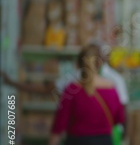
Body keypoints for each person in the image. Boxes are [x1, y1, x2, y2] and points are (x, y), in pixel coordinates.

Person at [44, 44, 125, 145]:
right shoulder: (111, 88)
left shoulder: (72, 90)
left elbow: (59, 126)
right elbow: (119, 119)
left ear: (77, 64)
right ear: (100, 63)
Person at [1, 42, 129, 106]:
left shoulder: (74, 79)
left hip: (80, 139)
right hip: (105, 140)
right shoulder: (114, 81)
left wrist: (11, 82)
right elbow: (123, 111)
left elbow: (46, 90)